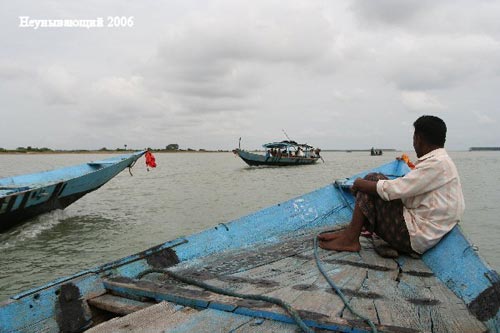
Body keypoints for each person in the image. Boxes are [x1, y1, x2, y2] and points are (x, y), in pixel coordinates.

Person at [318, 115, 464, 257]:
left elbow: (393, 189)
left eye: (414, 138)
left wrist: (359, 183)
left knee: (371, 180)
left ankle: (350, 239)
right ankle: (350, 233)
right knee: (373, 184)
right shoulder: (442, 161)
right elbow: (405, 192)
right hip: (422, 230)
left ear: (418, 138)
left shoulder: (437, 164)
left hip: (414, 238)